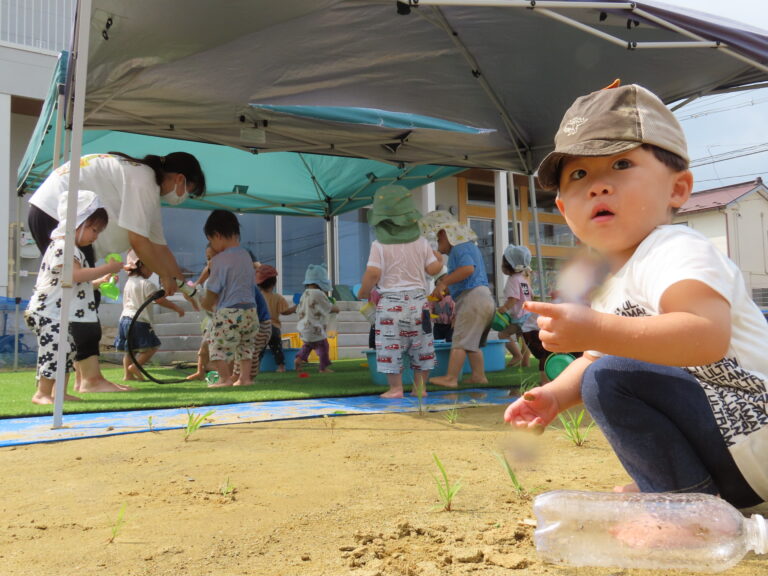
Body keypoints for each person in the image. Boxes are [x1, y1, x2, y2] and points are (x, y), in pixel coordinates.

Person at [504, 83, 768, 510]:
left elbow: (706, 337)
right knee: (603, 373)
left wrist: (595, 328)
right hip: (732, 456)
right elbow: (592, 359)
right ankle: (682, 490)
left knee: (610, 378)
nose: (598, 187)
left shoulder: (676, 249)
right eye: (579, 175)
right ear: (564, 210)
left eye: (621, 164)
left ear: (677, 189)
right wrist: (554, 396)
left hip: (754, 426)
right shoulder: (611, 284)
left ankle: (682, 506)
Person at [27, 151, 206, 390]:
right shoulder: (143, 179)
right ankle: (90, 379)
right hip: (59, 214)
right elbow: (139, 242)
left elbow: (160, 248)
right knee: (83, 299)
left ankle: (84, 378)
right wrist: (164, 276)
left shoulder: (145, 185)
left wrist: (186, 289)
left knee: (82, 298)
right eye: (189, 190)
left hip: (51, 211)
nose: (185, 197)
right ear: (180, 179)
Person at [24, 191, 124, 404]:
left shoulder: (72, 249)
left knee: (66, 351)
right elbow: (74, 275)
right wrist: (107, 268)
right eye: (93, 230)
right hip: (48, 312)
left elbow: (77, 283)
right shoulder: (63, 247)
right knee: (54, 351)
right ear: (77, 222)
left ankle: (58, 393)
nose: (96, 236)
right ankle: (42, 393)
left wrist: (100, 280)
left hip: (59, 313)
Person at [357, 186, 443, 398]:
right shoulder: (422, 243)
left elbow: (373, 273)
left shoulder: (378, 245)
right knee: (422, 347)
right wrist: (440, 260)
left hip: (390, 303)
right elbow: (433, 269)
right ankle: (420, 387)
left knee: (390, 347)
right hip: (419, 302)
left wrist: (363, 291)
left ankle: (396, 388)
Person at [420, 211, 495, 389]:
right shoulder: (467, 247)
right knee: (472, 343)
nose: (438, 243)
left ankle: (451, 378)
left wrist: (444, 282)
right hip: (484, 298)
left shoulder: (460, 248)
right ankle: (478, 376)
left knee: (460, 340)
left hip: (472, 298)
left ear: (447, 235)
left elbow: (467, 269)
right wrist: (445, 290)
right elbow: (464, 276)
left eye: (439, 239)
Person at [200, 210, 257, 388]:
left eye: (211, 241)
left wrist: (205, 303)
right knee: (245, 346)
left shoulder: (219, 260)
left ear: (217, 235)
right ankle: (245, 379)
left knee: (217, 346)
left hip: (229, 311)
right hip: (250, 311)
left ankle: (224, 379)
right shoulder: (246, 255)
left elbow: (212, 289)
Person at [114, 250, 185, 381]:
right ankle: (135, 367)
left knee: (130, 350)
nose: (152, 272)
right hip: (139, 321)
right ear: (141, 265)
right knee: (152, 347)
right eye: (151, 267)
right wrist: (176, 308)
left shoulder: (130, 282)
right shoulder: (147, 284)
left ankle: (128, 376)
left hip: (124, 320)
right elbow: (159, 300)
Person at [499, 245, 549, 381]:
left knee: (503, 334)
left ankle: (517, 355)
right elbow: (530, 296)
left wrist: (504, 308)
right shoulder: (523, 279)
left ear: (509, 266)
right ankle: (525, 361)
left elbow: (513, 298)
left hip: (520, 316)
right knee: (524, 339)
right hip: (528, 315)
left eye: (502, 263)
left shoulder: (512, 280)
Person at [294, 264, 339, 374]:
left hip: (304, 328)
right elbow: (327, 307)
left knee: (308, 346)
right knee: (324, 346)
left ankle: (298, 359)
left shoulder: (305, 294)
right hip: (315, 328)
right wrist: (335, 308)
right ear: (320, 282)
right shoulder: (318, 293)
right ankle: (323, 368)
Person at [256, 265, 296, 372]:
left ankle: (256, 367)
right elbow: (285, 311)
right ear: (274, 283)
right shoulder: (277, 298)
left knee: (259, 349)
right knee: (277, 349)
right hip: (274, 328)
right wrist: (295, 308)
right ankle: (281, 367)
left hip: (261, 327)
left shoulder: (256, 297)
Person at [430, 274, 455, 342]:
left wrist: (453, 326)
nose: (443, 282)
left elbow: (455, 312)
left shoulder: (452, 297)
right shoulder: (433, 296)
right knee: (438, 341)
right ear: (436, 283)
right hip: (437, 325)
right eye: (441, 280)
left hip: (449, 325)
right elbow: (429, 308)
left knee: (450, 341)